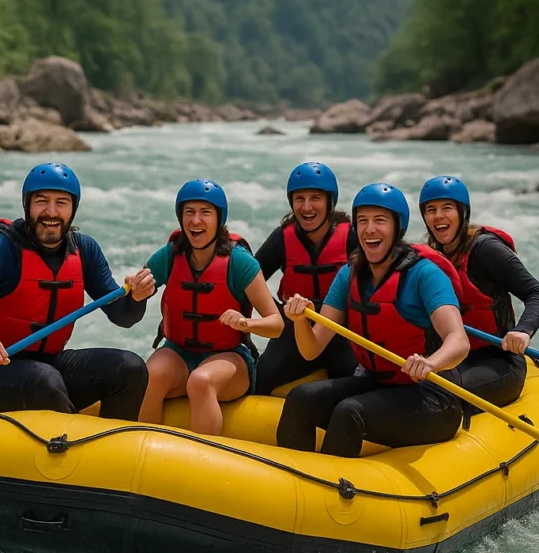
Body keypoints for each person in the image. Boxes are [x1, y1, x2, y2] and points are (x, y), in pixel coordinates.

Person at [0, 162, 154, 419]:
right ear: (27, 205)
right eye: (41, 201)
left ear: (73, 208)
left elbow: (123, 316)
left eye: (61, 203)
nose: (51, 212)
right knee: (45, 380)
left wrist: (137, 299)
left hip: (46, 365)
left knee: (130, 367)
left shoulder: (85, 251)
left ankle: (117, 452)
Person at [276, 182, 469, 457]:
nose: (369, 229)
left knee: (349, 411)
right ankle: (293, 484)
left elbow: (459, 340)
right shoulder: (349, 274)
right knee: (300, 398)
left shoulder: (425, 275)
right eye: (363, 221)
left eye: (380, 221)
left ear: (397, 227)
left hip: (433, 396)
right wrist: (298, 320)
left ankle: (329, 492)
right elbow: (311, 349)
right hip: (378, 384)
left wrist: (431, 363)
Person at [140, 178, 283, 435]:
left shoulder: (239, 262)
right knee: (150, 375)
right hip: (177, 352)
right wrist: (135, 291)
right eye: (189, 213)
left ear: (219, 219)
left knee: (201, 381)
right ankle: (144, 454)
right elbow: (134, 296)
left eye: (205, 213)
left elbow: (276, 324)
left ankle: (203, 460)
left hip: (230, 358)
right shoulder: (170, 255)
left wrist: (246, 323)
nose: (196, 221)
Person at [419, 175, 539, 408]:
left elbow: (535, 291)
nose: (438, 216)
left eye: (447, 208)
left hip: (499, 361)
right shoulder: (431, 256)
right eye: (430, 210)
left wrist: (523, 330)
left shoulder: (486, 250)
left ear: (463, 213)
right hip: (452, 357)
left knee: (435, 390)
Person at [254, 162, 357, 394]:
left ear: (330, 201)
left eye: (315, 198)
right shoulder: (283, 237)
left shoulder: (351, 235)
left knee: (356, 379)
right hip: (294, 331)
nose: (307, 207)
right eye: (299, 199)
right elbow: (250, 281)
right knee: (261, 378)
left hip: (341, 332)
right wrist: (277, 312)